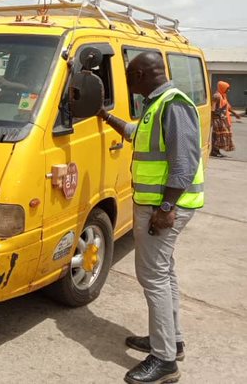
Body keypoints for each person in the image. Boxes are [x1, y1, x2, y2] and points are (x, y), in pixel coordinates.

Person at [97, 52, 203, 384]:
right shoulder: (155, 105)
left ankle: (164, 360)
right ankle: (171, 341)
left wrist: (166, 210)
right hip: (157, 205)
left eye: (130, 77)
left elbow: (184, 162)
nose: (128, 83)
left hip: (164, 208)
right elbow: (136, 135)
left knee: (153, 278)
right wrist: (105, 116)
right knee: (164, 274)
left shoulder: (173, 104)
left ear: (142, 74)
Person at [210, 81, 240, 157]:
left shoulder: (223, 95)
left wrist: (235, 114)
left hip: (223, 119)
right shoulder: (216, 96)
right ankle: (214, 151)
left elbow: (228, 107)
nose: (228, 90)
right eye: (227, 88)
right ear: (222, 87)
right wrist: (212, 120)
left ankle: (217, 151)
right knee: (217, 135)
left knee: (222, 135)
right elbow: (213, 109)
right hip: (217, 119)